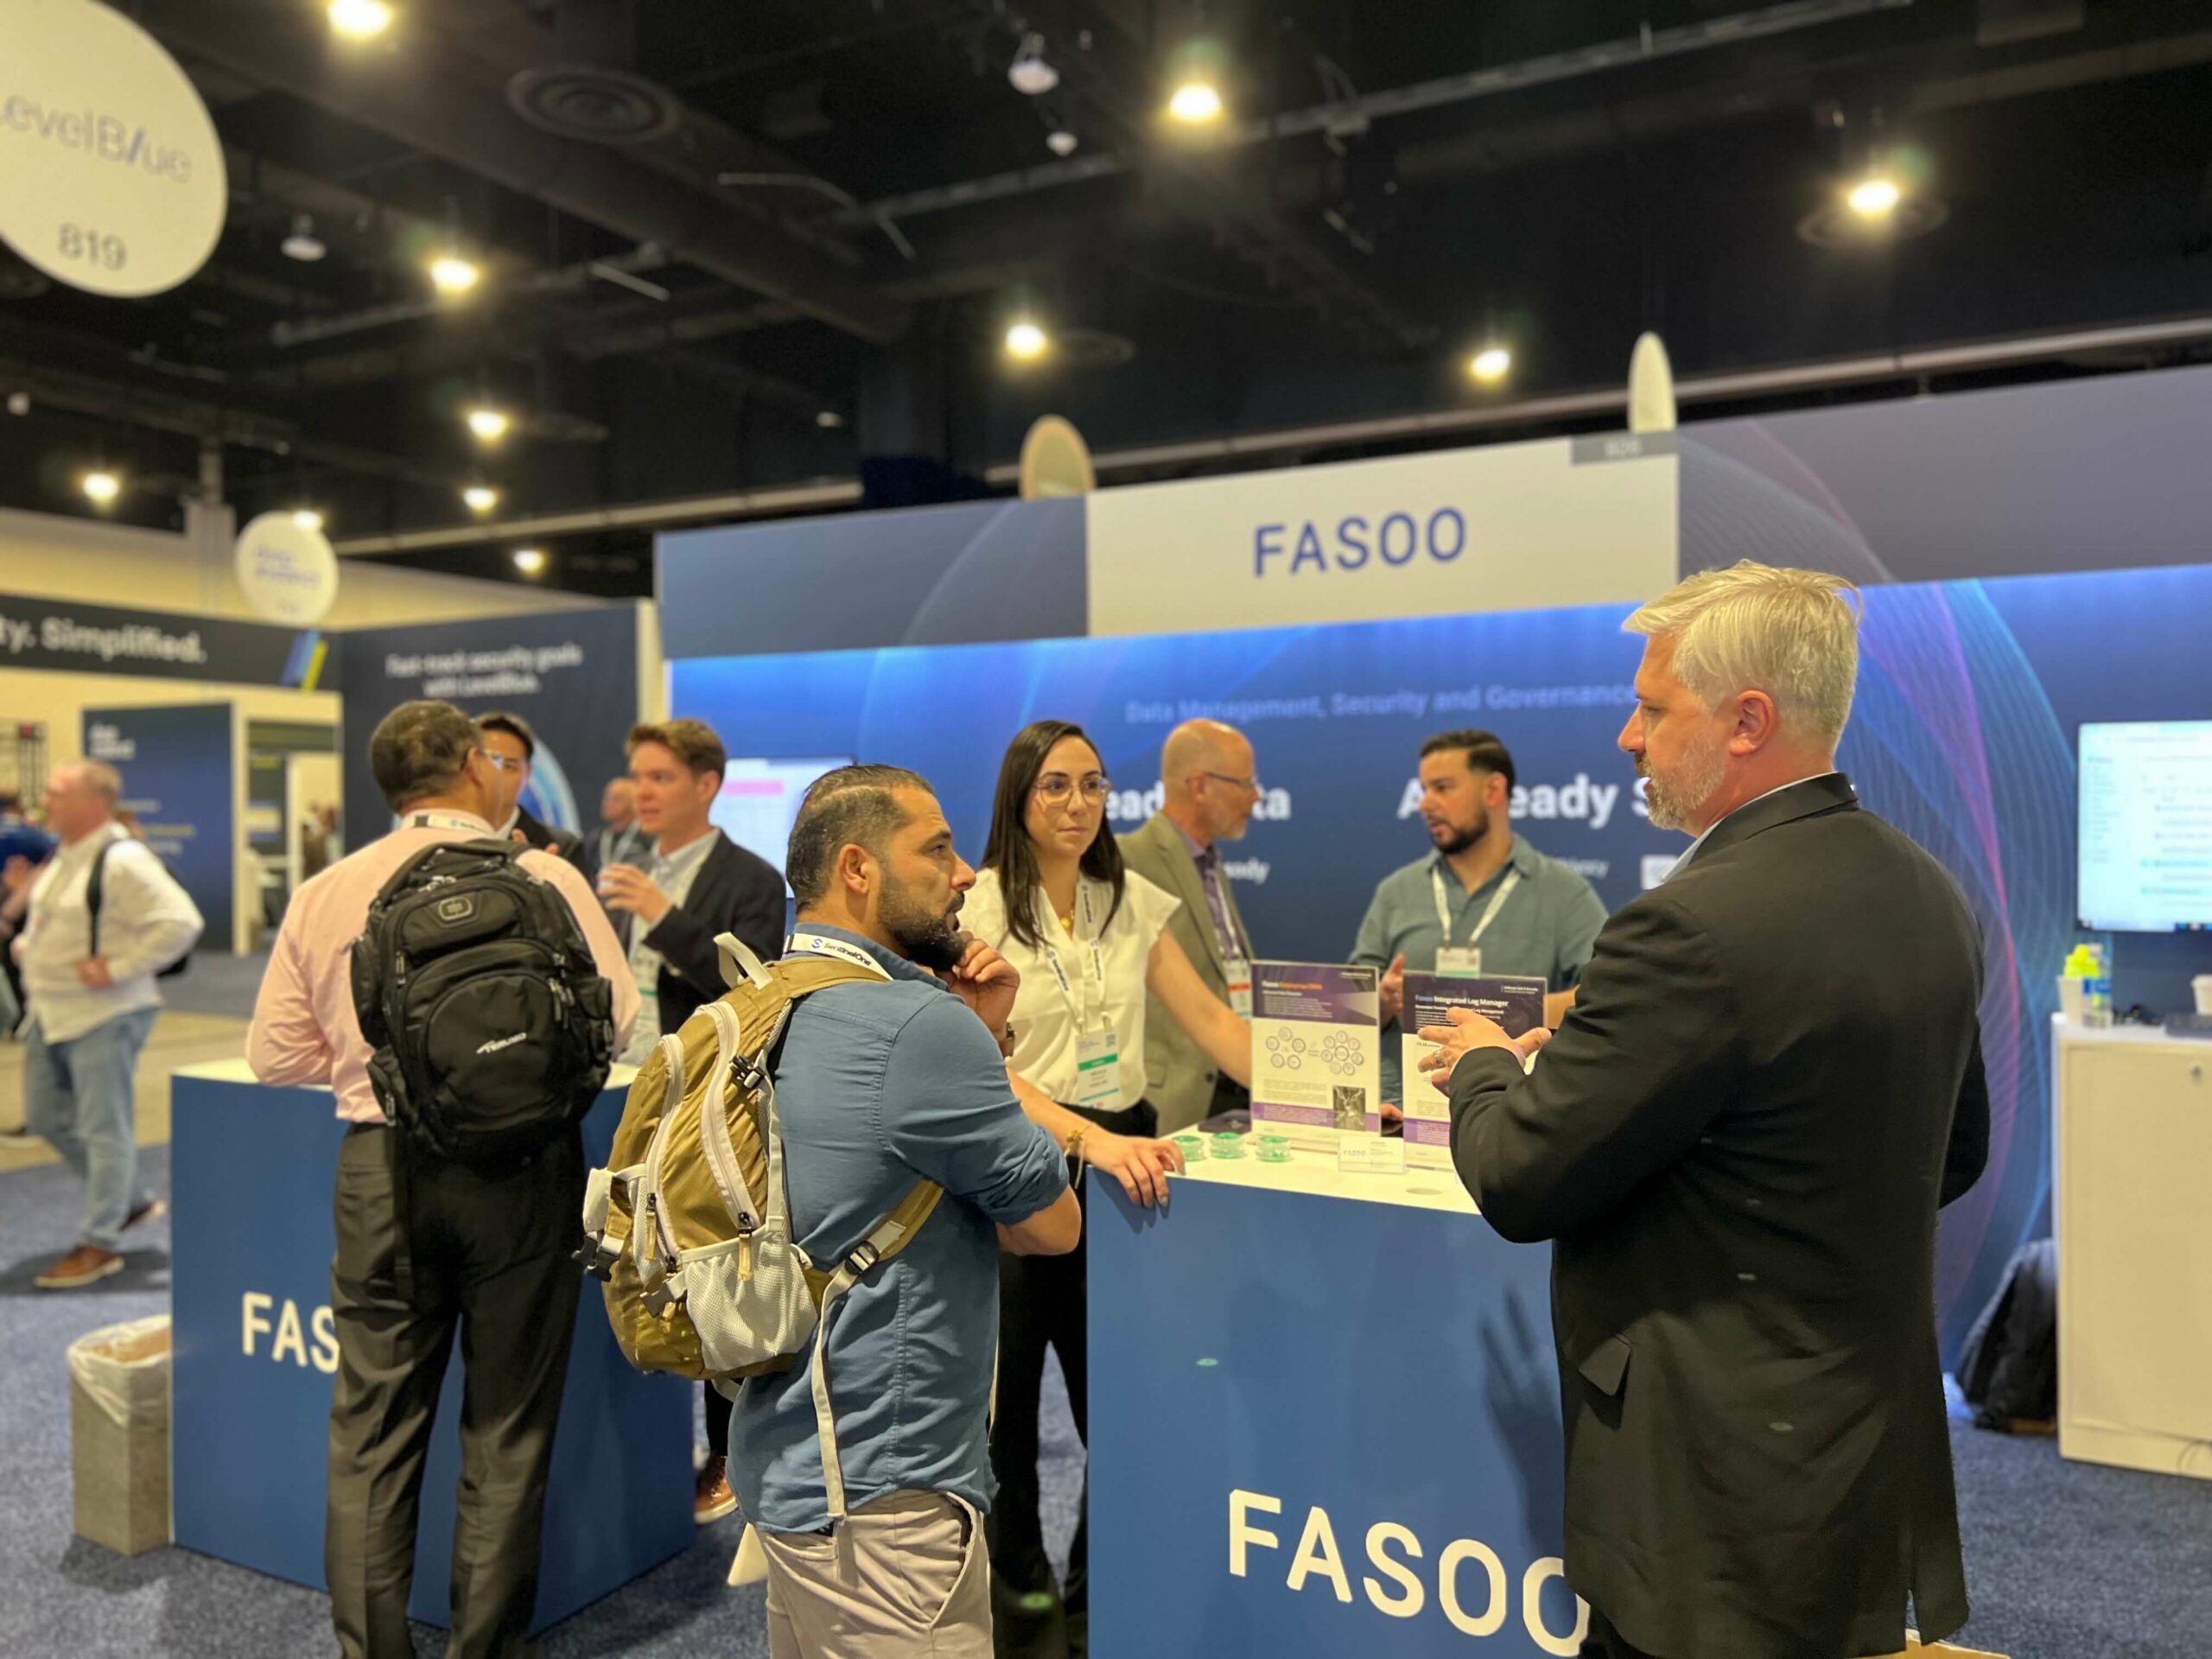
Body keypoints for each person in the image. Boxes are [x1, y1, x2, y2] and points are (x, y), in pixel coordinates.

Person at [1423, 563, 1990, 1659]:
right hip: (1854, 1441)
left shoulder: (1685, 927)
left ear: (1746, 722)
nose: (1627, 737)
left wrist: (1488, 1063)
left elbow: (1519, 1179)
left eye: (1651, 707)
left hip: (1707, 1486)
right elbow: (1949, 1153)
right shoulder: (1927, 890)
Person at [246, 699, 638, 1659]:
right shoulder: (544, 876)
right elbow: (619, 1022)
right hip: (525, 1173)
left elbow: (273, 1055)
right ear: (473, 765)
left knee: (371, 1432)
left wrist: (374, 1070)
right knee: (508, 1430)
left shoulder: (327, 890)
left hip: (381, 1173)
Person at [730, 763, 1081, 1659]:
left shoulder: (763, 1002)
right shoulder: (918, 1025)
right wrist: (983, 1039)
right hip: (887, 1497)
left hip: (787, 1459)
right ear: (858, 868)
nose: (963, 874)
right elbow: (1051, 1225)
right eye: (936, 849)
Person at [962, 719, 1248, 1658]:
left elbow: (1216, 1027)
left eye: (1092, 785)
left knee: (1118, 1410)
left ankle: (1094, 1603)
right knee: (1003, 1425)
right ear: (1018, 797)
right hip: (1015, 1169)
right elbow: (985, 1070)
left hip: (1121, 1174)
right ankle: (1022, 1606)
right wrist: (1086, 1140)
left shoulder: (1131, 902)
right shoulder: (974, 912)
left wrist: (1337, 1093)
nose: (1078, 804)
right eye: (1055, 785)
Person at [594, 716, 785, 1520]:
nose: (642, 791)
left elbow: (756, 992)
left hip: (700, 1105)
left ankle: (727, 1452)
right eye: (638, 776)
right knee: (622, 1260)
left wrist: (668, 918)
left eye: (661, 777)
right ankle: (642, 1451)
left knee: (704, 1268)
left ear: (707, 786)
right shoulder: (620, 868)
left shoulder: (751, 878)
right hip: (619, 1091)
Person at [12, 761, 201, 1287]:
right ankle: (130, 1199)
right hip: (51, 1012)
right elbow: (52, 921)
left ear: (93, 802)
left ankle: (100, 1240)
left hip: (105, 1014)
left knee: (103, 1128)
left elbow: (181, 922)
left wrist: (118, 968)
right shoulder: (65, 855)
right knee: (47, 1118)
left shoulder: (124, 859)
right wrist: (30, 947)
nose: (45, 799)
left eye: (57, 791)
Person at [1351, 729, 1608, 1104]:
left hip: (1508, 1106)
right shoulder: (1396, 891)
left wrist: (1508, 1011)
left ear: (1493, 791)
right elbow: (1351, 1002)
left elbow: (1601, 995)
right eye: (1423, 789)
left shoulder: (1564, 893)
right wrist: (1383, 998)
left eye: (1442, 788)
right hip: (1401, 1107)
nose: (1425, 804)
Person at [1116, 719, 1262, 1133]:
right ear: (1200, 786)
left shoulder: (1210, 863)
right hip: (1176, 1098)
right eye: (1245, 783)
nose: (1256, 796)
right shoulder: (1125, 861)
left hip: (1240, 1079)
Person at [474, 710, 584, 862]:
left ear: (527, 774)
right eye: (488, 762)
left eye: (509, 766)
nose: (496, 775)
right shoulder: (445, 835)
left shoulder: (562, 846)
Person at [581, 774, 650, 883]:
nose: (608, 803)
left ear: (633, 803)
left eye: (616, 799)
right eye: (607, 798)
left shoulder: (646, 835)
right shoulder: (596, 838)